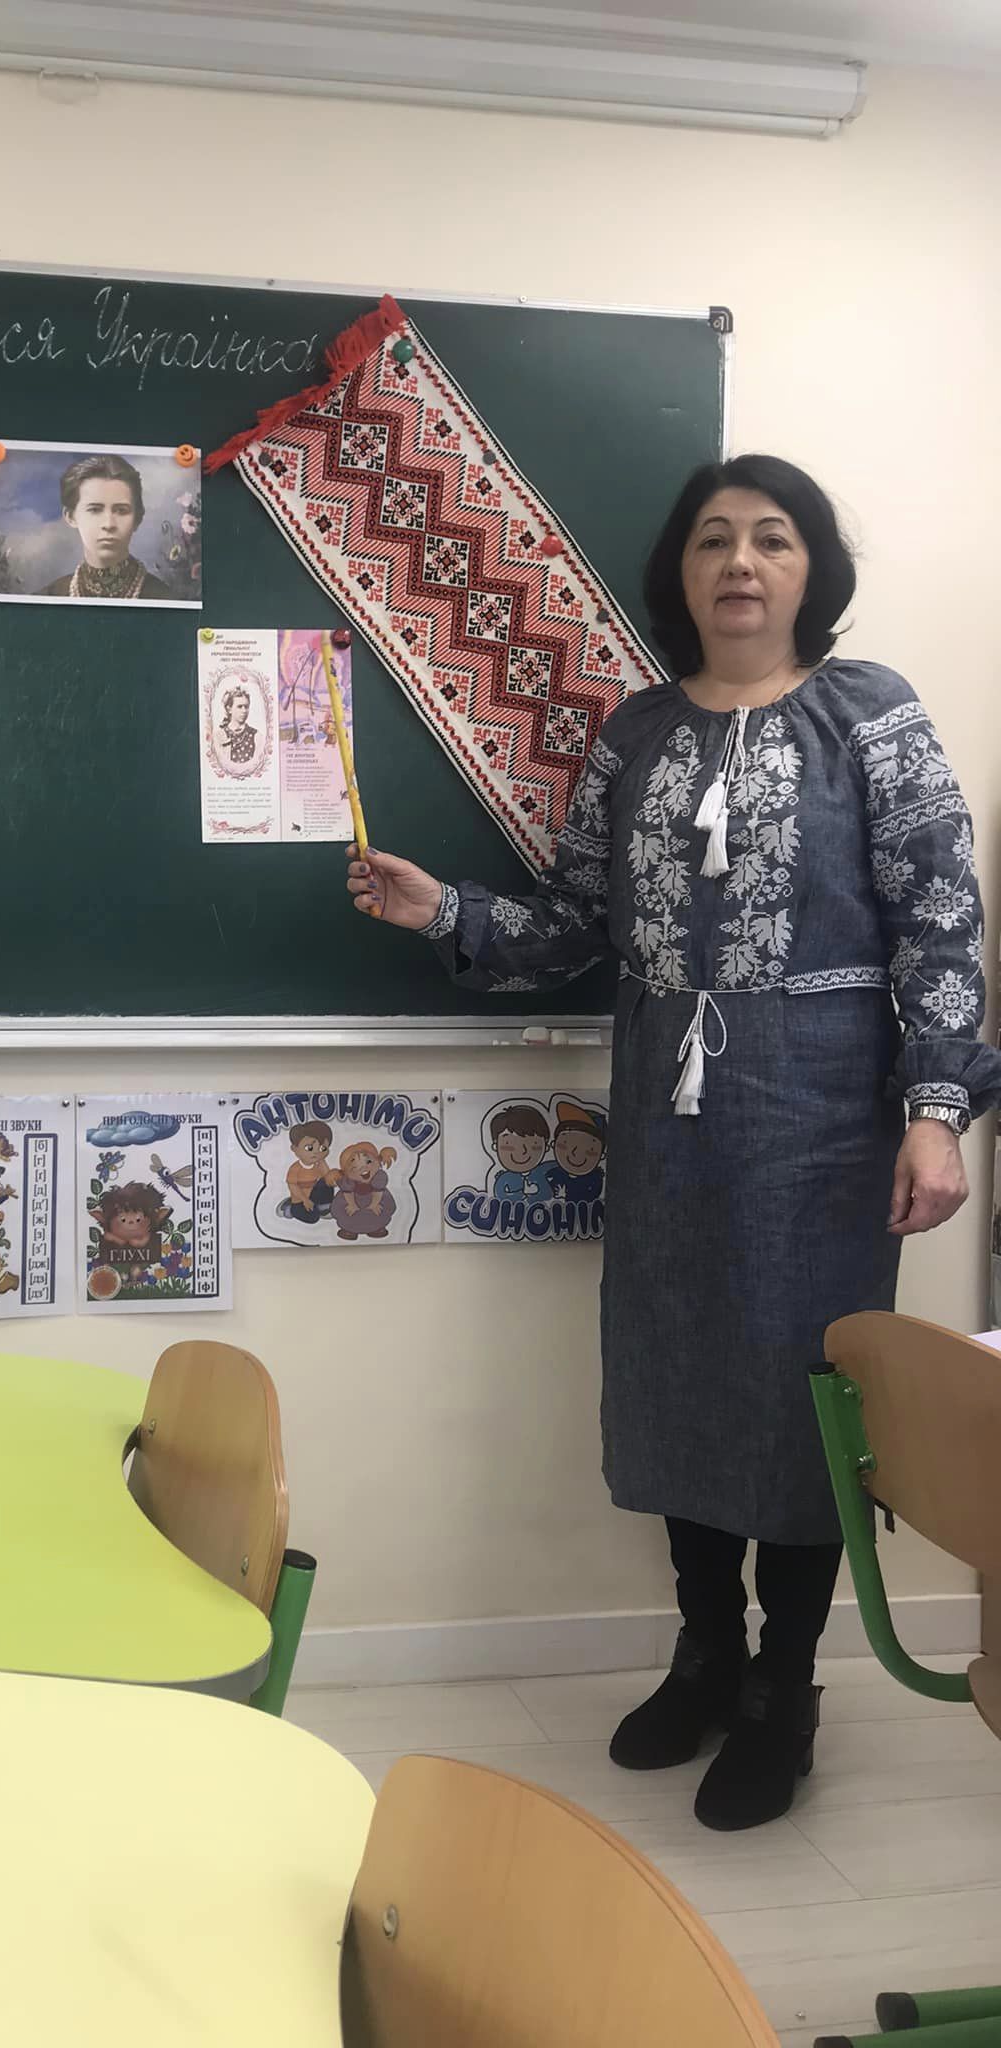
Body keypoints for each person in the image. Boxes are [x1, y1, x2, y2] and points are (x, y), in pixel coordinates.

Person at [346, 454, 1001, 1832]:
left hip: (825, 1112)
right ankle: (704, 1652)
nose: (741, 562)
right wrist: (444, 912)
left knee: (805, 1396)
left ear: (811, 569)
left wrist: (938, 1113)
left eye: (772, 538)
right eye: (714, 539)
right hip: (664, 1107)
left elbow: (942, 920)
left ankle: (783, 1690)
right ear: (682, 572)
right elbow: (579, 923)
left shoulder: (870, 715)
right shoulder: (636, 733)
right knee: (674, 1375)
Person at [41, 453, 173, 601]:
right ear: (70, 516)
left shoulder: (166, 599)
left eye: (121, 510)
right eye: (94, 510)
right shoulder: (47, 597)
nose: (108, 524)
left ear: (137, 519)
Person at [220, 686, 259, 765]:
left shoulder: (256, 736)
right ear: (229, 709)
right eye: (239, 707)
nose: (244, 711)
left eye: (246, 707)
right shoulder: (219, 736)